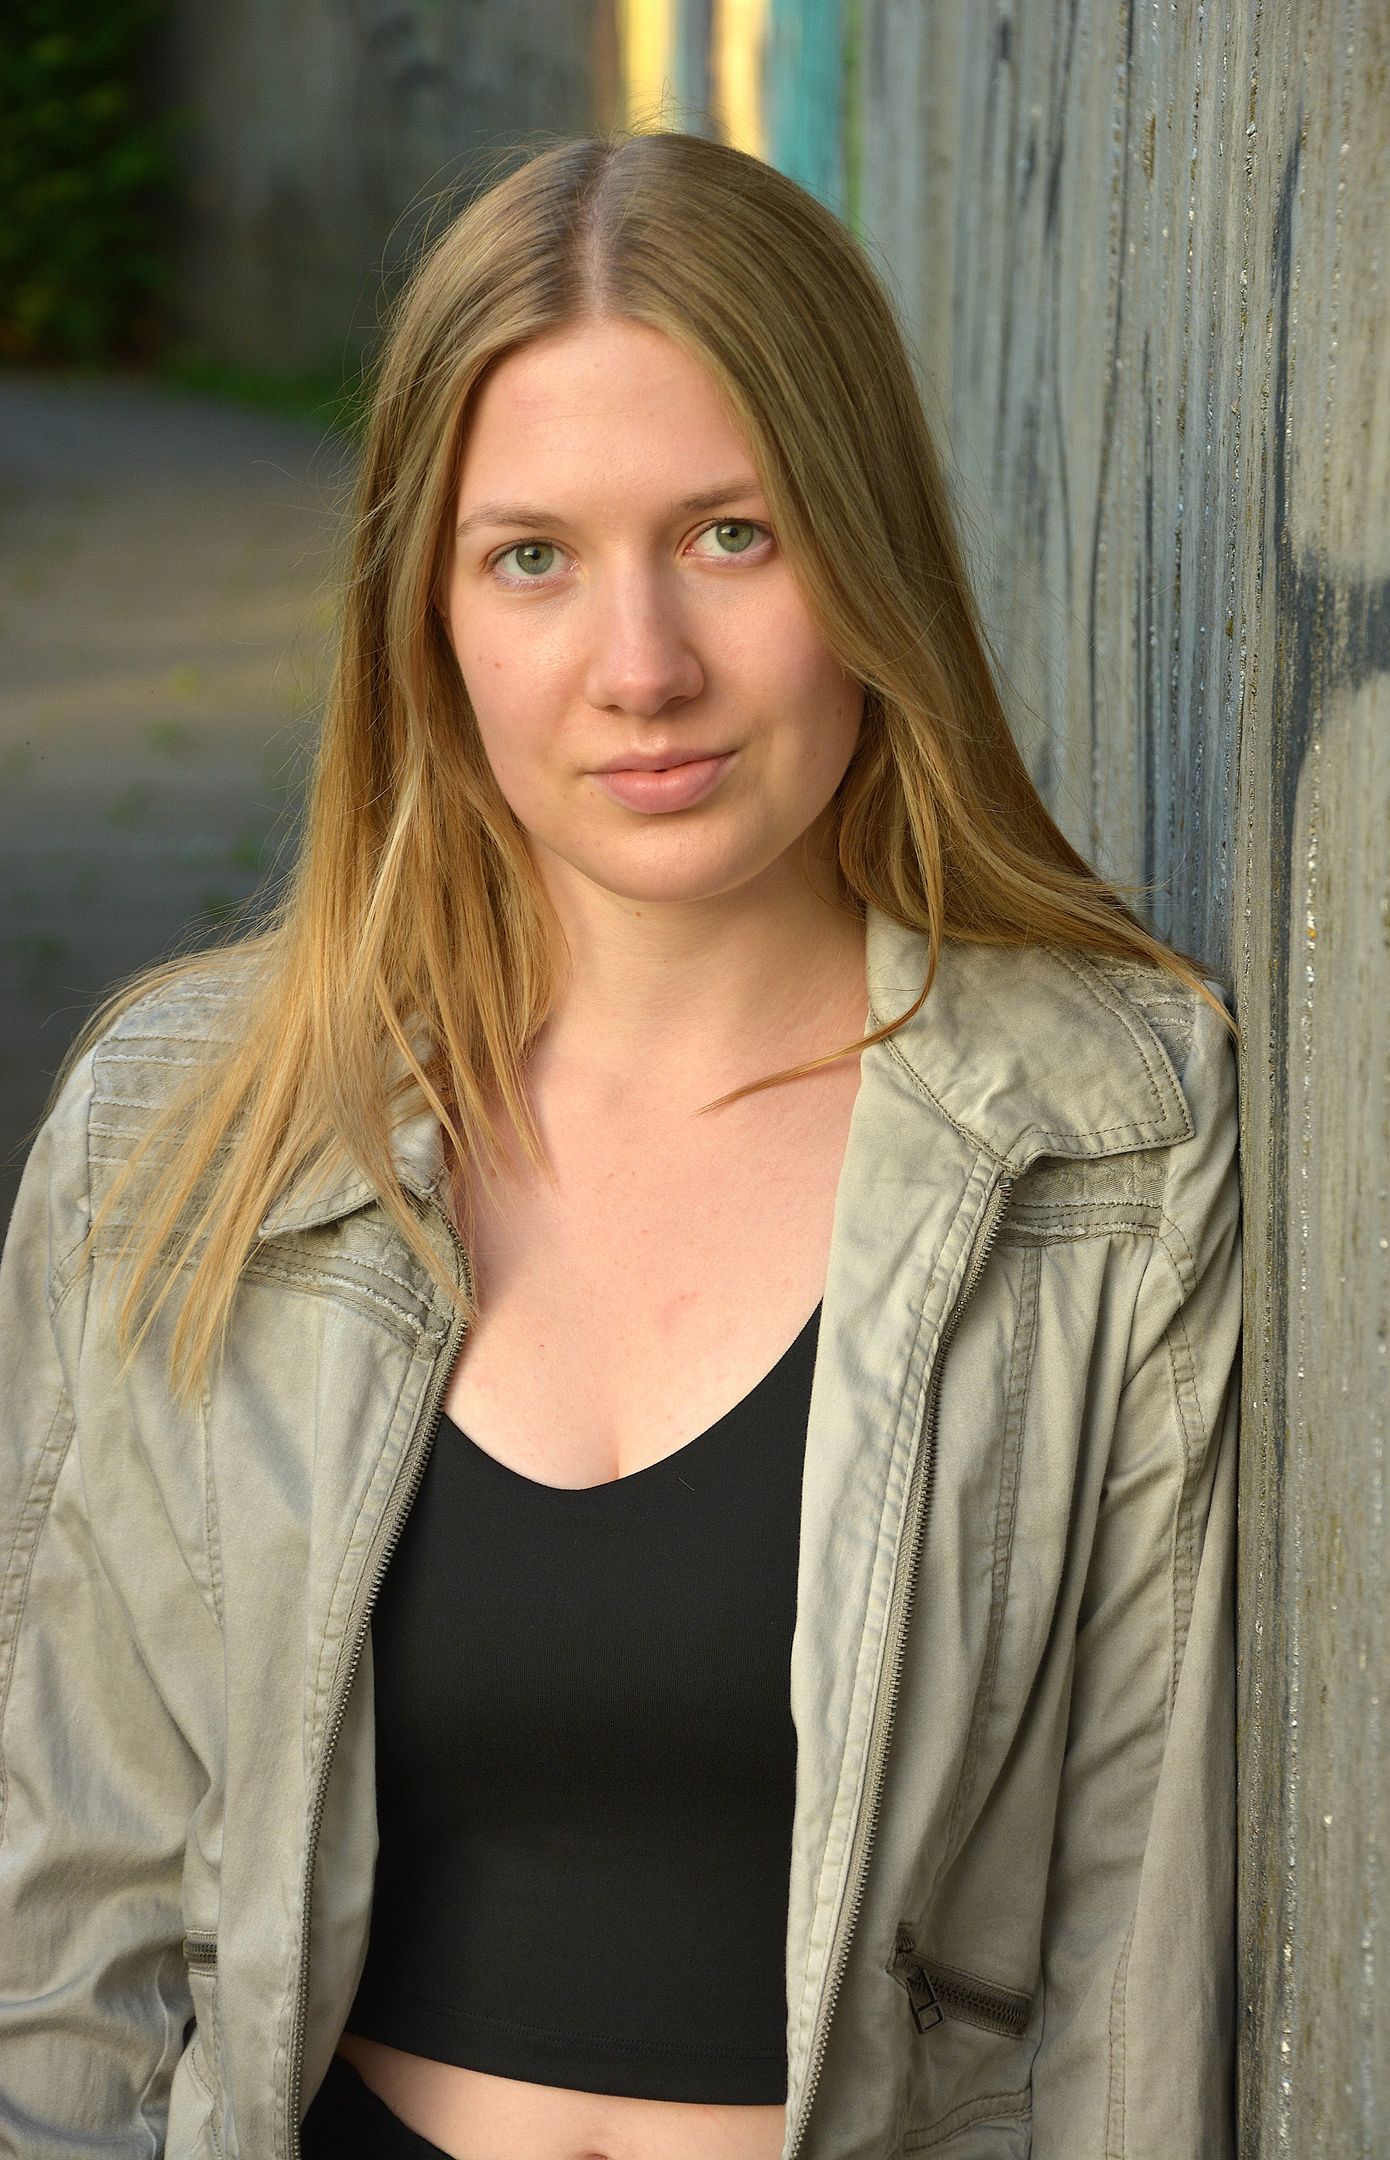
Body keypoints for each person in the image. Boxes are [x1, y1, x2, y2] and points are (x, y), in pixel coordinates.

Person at [0, 128, 1242, 2160]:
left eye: (733, 535)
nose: (642, 668)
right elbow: (71, 1935)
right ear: (425, 614)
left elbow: (1134, 1958)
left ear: (869, 554)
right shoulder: (184, 1130)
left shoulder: (1106, 1142)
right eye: (533, 558)